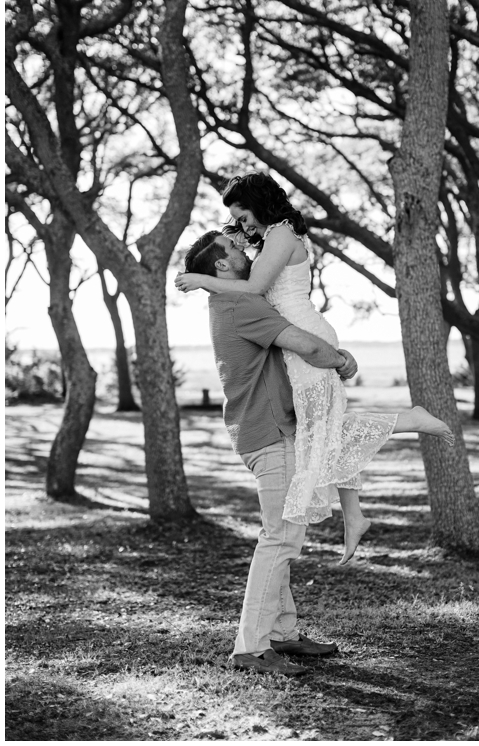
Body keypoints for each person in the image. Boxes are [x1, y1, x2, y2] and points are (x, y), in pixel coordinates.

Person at [177, 173, 455, 565]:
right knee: (324, 428)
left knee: (321, 429)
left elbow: (255, 289)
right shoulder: (273, 237)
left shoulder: (282, 235)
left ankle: (411, 421)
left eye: (243, 216)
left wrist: (201, 279)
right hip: (296, 336)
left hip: (305, 335)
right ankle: (355, 516)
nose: (242, 227)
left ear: (259, 203)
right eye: (237, 222)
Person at [183, 229, 356, 675]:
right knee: (279, 538)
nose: (244, 248)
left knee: (282, 534)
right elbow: (306, 345)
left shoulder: (226, 301)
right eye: (234, 249)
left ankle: (281, 632)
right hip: (271, 434)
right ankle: (252, 647)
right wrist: (341, 360)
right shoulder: (242, 304)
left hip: (263, 430)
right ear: (221, 266)